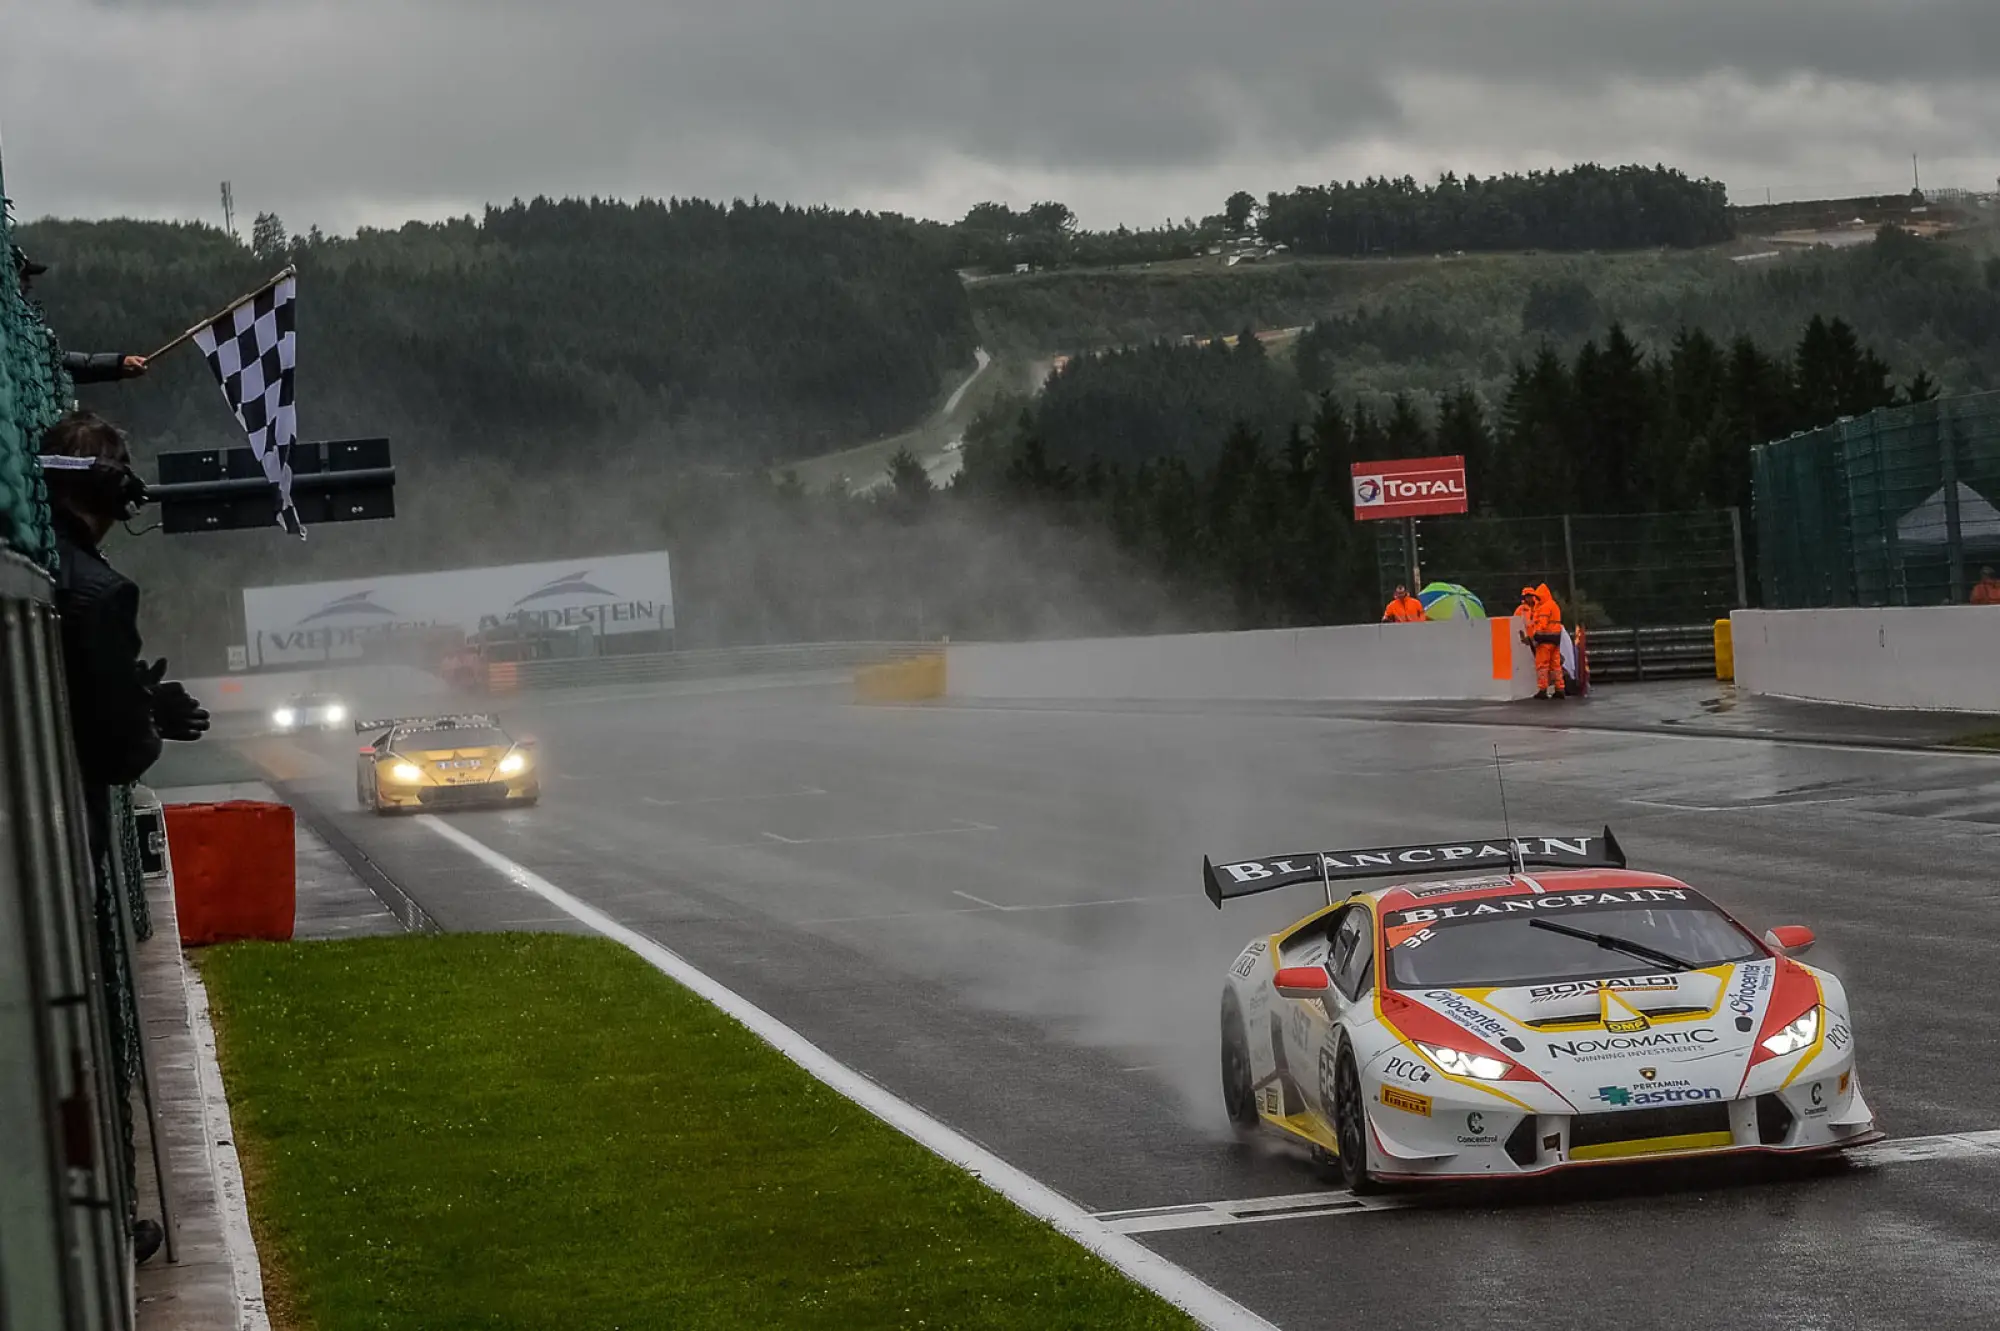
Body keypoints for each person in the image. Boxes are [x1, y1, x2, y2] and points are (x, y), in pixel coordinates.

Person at [42, 411, 207, 1268]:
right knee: (73, 1036)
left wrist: (132, 692)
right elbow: (116, 750)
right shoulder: (101, 592)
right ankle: (99, 1223)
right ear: (113, 492)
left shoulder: (48, 561)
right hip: (59, 848)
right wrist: (150, 718)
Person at [11, 246, 149, 382]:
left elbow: (60, 363)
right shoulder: (13, 333)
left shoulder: (19, 330)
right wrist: (118, 365)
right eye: (24, 277)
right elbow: (62, 364)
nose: (29, 285)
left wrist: (119, 364)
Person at [1518, 583, 1566, 699]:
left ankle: (1542, 689)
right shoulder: (1554, 605)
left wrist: (1535, 636)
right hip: (1556, 639)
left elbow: (1542, 625)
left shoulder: (1544, 607)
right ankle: (1560, 688)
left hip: (1545, 640)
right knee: (1555, 666)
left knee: (1542, 665)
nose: (1536, 599)